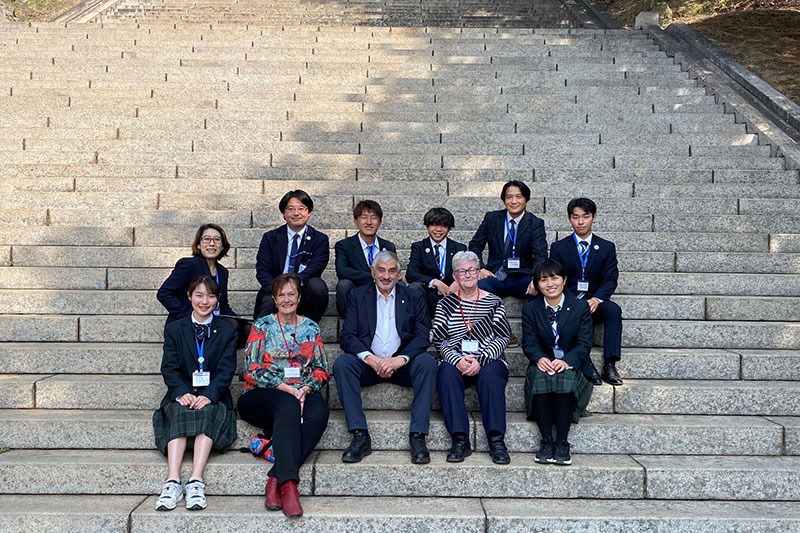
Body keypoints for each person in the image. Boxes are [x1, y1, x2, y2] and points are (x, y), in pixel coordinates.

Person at [237, 273, 330, 518]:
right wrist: (286, 388)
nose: (286, 299)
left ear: (299, 297)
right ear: (275, 299)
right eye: (281, 295)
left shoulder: (311, 327)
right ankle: (290, 486)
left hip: (301, 391)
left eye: (291, 294)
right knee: (288, 404)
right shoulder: (262, 325)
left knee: (319, 411)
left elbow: (321, 369)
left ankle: (275, 476)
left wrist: (305, 388)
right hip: (261, 393)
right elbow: (251, 368)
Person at [333, 251, 436, 464]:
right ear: (372, 271)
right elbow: (347, 336)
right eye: (381, 270)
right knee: (342, 364)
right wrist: (370, 358)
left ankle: (418, 436)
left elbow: (422, 336)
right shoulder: (358, 296)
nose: (386, 276)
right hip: (369, 365)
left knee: (427, 362)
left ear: (400, 274)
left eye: (392, 271)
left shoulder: (414, 296)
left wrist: (401, 359)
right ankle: (360, 435)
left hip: (402, 365)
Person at [153, 275, 238, 511]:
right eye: (199, 295)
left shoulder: (227, 330)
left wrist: (209, 395)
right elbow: (169, 367)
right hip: (183, 393)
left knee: (208, 412)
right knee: (179, 411)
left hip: (214, 394)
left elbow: (226, 369)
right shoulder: (175, 329)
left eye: (211, 296)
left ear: (217, 299)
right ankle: (172, 480)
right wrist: (182, 392)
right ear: (189, 297)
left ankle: (196, 480)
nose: (204, 301)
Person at [430, 251, 513, 464]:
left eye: (472, 270)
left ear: (478, 273)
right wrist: (457, 359)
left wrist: (481, 360)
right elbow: (439, 340)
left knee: (491, 376)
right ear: (455, 276)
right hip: (455, 358)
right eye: (461, 271)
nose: (467, 275)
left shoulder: (494, 302)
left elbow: (503, 336)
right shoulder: (445, 304)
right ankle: (460, 439)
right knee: (446, 374)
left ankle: (496, 440)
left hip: (488, 358)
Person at [521, 260, 594, 466]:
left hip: (574, 365)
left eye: (554, 278)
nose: (550, 283)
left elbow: (584, 343)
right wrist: (540, 358)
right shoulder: (531, 309)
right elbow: (529, 343)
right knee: (541, 375)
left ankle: (562, 442)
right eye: (543, 280)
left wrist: (566, 361)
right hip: (543, 364)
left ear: (564, 280)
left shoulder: (580, 307)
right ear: (537, 284)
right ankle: (546, 441)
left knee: (564, 376)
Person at [549, 197, 623, 386]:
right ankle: (584, 361)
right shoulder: (559, 247)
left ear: (594, 218)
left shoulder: (606, 247)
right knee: (572, 313)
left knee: (614, 310)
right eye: (575, 217)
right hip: (569, 301)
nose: (580, 222)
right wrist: (574, 302)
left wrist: (597, 299)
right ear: (569, 219)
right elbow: (556, 278)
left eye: (585, 216)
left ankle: (610, 364)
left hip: (595, 301)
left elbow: (610, 279)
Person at [253, 190, 330, 324]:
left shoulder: (320, 239)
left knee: (318, 286)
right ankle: (261, 336)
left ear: (309, 212)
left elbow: (315, 268)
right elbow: (262, 271)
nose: (296, 213)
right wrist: (280, 291)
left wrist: (293, 288)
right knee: (269, 305)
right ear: (284, 213)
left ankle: (307, 327)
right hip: (276, 290)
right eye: (291, 209)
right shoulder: (270, 238)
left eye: (301, 208)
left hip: (303, 291)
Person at [468, 180, 548, 299]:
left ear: (526, 200)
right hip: (495, 276)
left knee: (540, 288)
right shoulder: (492, 218)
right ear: (504, 200)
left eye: (519, 197)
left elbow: (540, 254)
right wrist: (480, 268)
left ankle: (531, 317)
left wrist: (536, 279)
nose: (514, 201)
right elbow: (475, 244)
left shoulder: (535, 223)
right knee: (479, 286)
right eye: (509, 197)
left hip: (522, 277)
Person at [157, 224, 236, 326]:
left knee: (242, 328)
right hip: (187, 324)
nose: (212, 243)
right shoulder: (188, 265)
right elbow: (164, 293)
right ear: (198, 244)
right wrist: (190, 317)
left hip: (211, 322)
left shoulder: (222, 272)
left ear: (223, 246)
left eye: (217, 240)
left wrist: (238, 320)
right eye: (206, 239)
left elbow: (222, 304)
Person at [334, 199, 397, 316]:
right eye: (364, 217)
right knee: (344, 285)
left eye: (373, 217)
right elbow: (342, 271)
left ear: (380, 222)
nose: (369, 222)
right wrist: (375, 277)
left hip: (383, 291)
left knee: (401, 286)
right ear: (356, 221)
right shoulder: (344, 245)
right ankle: (349, 324)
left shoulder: (388, 246)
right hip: (358, 292)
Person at [406, 207, 468, 318]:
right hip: (429, 297)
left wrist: (459, 281)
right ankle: (422, 327)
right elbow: (411, 274)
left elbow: (467, 272)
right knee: (414, 287)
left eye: (443, 225)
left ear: (449, 228)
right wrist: (434, 282)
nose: (438, 229)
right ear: (427, 226)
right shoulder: (419, 247)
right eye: (434, 225)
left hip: (452, 296)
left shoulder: (459, 248)